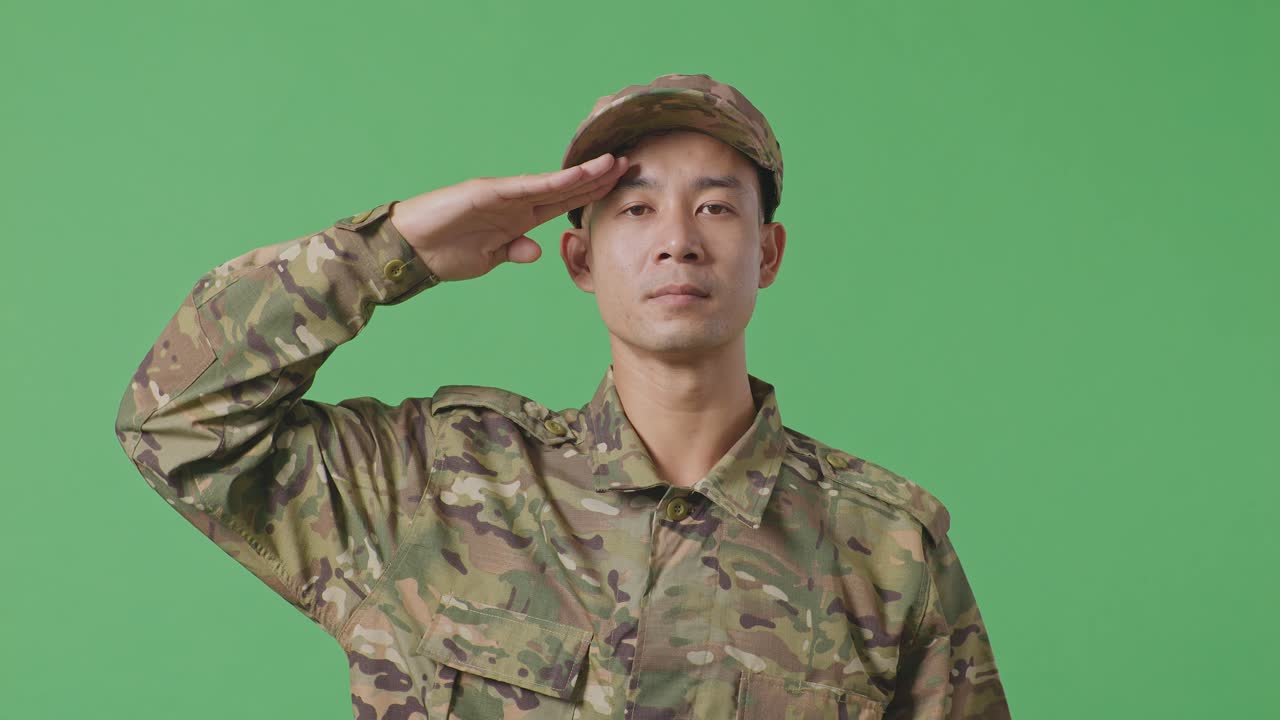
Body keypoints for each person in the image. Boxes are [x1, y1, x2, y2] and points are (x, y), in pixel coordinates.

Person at [114, 72, 1011, 719]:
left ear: (767, 254)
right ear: (578, 257)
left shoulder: (886, 549)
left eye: (716, 207)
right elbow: (178, 420)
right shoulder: (431, 489)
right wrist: (396, 247)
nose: (677, 242)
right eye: (634, 208)